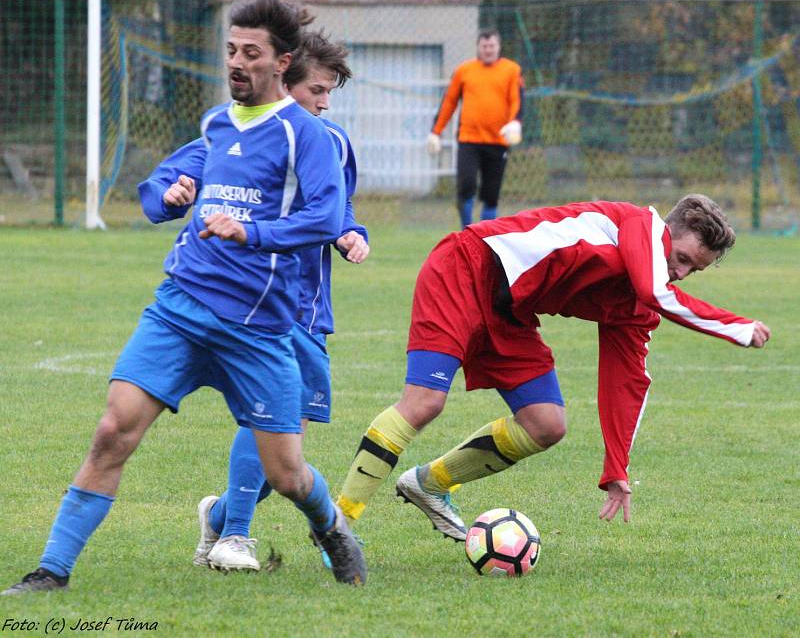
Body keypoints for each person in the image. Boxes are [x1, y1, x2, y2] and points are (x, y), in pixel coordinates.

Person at [2, 0, 366, 595]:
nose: (236, 63)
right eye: (231, 51)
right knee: (113, 430)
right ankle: (51, 571)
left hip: (258, 327)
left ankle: (330, 528)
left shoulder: (310, 138)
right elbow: (157, 189)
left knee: (287, 472)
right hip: (180, 307)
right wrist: (169, 196)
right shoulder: (217, 124)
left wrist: (253, 231)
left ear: (283, 62)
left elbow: (327, 217)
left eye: (251, 53)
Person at [335, 194, 771, 541]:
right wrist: (735, 326)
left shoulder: (640, 302)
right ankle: (338, 525)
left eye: (694, 269)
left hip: (511, 312)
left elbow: (628, 380)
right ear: (666, 232)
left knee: (546, 424)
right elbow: (653, 287)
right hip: (466, 267)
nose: (680, 272)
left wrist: (617, 468)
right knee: (425, 402)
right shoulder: (636, 226)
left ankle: (428, 484)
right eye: (681, 257)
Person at [183, 30, 370, 573]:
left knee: (284, 444)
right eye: (318, 88)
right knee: (265, 415)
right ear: (286, 82)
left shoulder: (331, 142)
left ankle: (220, 516)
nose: (326, 101)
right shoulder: (256, 134)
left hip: (311, 308)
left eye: (331, 91)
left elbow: (340, 206)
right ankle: (234, 536)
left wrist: (352, 233)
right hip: (262, 303)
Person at [427, 28, 524, 229]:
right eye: (484, 46)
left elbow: (517, 99)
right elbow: (449, 102)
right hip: (469, 139)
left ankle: (485, 237)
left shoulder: (511, 70)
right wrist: (435, 132)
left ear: (499, 47)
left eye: (492, 46)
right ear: (478, 47)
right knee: (466, 185)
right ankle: (467, 232)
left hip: (498, 141)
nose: (488, 50)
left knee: (491, 194)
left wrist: (515, 122)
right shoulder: (464, 70)